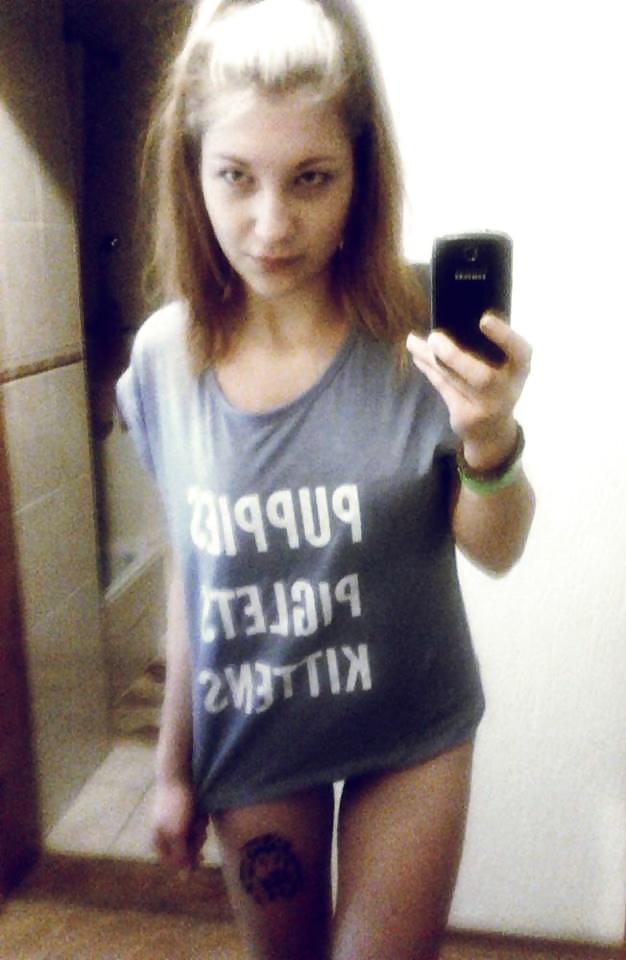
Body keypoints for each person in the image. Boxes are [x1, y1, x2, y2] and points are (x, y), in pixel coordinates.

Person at [116, 1, 535, 957]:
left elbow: (499, 550)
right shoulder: (165, 359)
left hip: (412, 731)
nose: (272, 225)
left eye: (311, 177)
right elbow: (194, 577)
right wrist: (173, 766)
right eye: (236, 176)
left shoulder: (420, 327)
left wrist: (489, 437)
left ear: (360, 173)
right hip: (255, 733)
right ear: (192, 171)